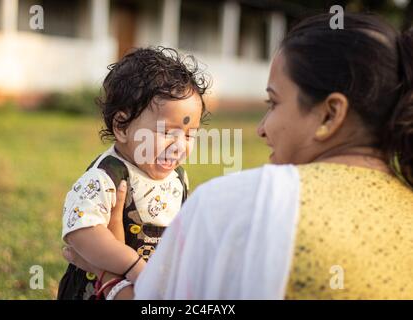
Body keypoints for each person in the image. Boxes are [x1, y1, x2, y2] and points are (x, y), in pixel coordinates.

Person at [64, 12, 413, 299]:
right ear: (122, 126)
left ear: (330, 114)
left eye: (273, 102)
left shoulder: (238, 205)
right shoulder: (108, 176)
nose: (261, 128)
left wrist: (112, 279)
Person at [57, 47, 209, 299]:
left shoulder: (177, 179)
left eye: (189, 134)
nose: (180, 146)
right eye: (167, 133)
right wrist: (133, 266)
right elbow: (80, 232)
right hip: (95, 292)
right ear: (122, 127)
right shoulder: (106, 176)